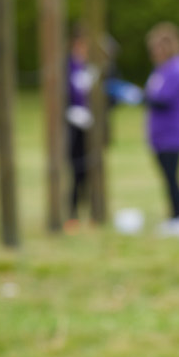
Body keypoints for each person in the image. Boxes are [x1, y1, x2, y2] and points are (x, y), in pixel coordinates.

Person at [144, 22, 179, 238]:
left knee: (172, 176)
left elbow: (166, 99)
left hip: (172, 132)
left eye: (157, 47)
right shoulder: (164, 68)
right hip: (160, 132)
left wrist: (139, 97)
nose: (154, 52)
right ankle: (174, 217)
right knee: (168, 176)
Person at [65, 25, 96, 231]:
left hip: (92, 127)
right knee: (76, 171)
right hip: (73, 126)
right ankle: (73, 215)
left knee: (92, 171)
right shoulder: (66, 66)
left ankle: (94, 213)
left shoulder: (92, 67)